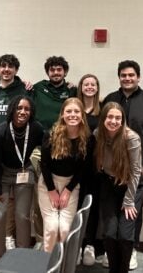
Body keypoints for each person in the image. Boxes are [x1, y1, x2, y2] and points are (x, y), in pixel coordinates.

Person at [103, 60, 143, 269]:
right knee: (112, 217)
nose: (127, 78)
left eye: (131, 75)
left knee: (131, 214)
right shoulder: (111, 100)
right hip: (111, 172)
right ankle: (113, 252)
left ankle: (130, 251)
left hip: (138, 170)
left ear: (138, 77)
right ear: (119, 77)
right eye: (123, 75)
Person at [0, 54, 27, 256]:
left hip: (14, 155)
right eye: (3, 66)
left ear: (16, 70)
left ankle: (8, 236)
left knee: (10, 199)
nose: (6, 70)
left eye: (10, 67)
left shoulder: (23, 90)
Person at [30, 55, 77, 246]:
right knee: (41, 194)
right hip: (40, 148)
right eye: (52, 70)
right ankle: (43, 238)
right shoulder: (37, 88)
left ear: (65, 72)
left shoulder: (72, 90)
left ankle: (62, 239)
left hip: (65, 147)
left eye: (59, 69)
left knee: (63, 196)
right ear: (47, 72)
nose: (56, 73)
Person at [0, 96, 44, 258]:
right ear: (12, 109)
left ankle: (22, 255)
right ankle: (0, 255)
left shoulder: (36, 128)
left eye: (27, 109)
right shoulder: (0, 131)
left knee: (22, 216)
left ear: (31, 112)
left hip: (24, 171)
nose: (22, 112)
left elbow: (47, 147)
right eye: (19, 108)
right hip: (2, 175)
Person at [38, 98, 93, 252]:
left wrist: (68, 189)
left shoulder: (87, 139)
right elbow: (44, 165)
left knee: (64, 228)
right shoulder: (50, 134)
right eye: (68, 111)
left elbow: (83, 169)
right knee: (52, 228)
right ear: (62, 114)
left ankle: (65, 265)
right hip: (48, 183)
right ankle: (49, 264)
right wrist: (51, 190)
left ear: (82, 115)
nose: (72, 115)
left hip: (71, 184)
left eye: (76, 111)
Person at [95, 102, 142, 273]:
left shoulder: (131, 138)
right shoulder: (98, 134)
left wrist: (129, 201)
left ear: (123, 120)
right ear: (104, 119)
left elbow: (137, 171)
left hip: (130, 185)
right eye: (110, 117)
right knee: (109, 234)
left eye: (118, 118)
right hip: (109, 184)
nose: (114, 121)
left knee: (125, 235)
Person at [76, 74, 103, 265]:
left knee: (92, 206)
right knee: (75, 206)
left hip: (96, 167)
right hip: (76, 165)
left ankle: (90, 245)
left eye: (93, 84)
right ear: (80, 87)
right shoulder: (74, 108)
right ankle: (76, 244)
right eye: (86, 84)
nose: (90, 87)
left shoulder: (102, 109)